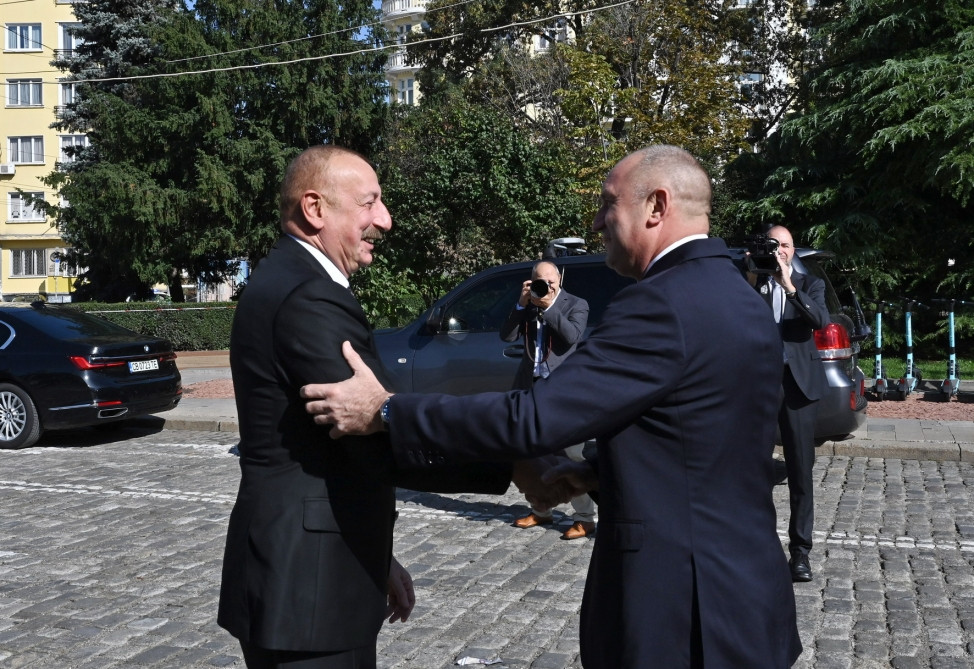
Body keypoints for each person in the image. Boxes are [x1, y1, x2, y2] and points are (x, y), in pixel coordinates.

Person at [301, 145, 803, 668]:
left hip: (684, 614)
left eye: (608, 203)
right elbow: (703, 436)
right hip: (748, 599)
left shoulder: (661, 302)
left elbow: (533, 419)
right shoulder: (738, 293)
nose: (597, 221)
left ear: (656, 206)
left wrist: (387, 412)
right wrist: (595, 473)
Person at [217, 145, 538, 669]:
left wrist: (376, 557)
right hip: (308, 590)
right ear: (315, 209)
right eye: (369, 203)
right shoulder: (307, 295)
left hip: (319, 570)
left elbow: (325, 452)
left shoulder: (294, 279)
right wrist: (513, 462)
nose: (384, 221)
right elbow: (367, 434)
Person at [754, 225, 829, 583]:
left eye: (784, 245)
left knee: (800, 474)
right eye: (773, 245)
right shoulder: (752, 281)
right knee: (753, 472)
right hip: (759, 389)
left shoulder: (809, 282)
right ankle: (760, 547)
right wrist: (753, 277)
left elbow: (819, 321)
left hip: (798, 388)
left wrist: (789, 286)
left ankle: (800, 553)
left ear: (793, 248)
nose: (778, 251)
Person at [501, 260, 596, 540]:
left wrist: (549, 307)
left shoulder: (577, 304)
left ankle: (585, 518)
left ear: (560, 279)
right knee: (531, 450)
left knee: (571, 452)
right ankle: (541, 510)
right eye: (541, 282)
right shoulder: (527, 304)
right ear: (531, 281)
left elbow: (570, 337)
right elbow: (506, 335)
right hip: (530, 387)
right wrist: (521, 306)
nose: (547, 288)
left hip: (563, 390)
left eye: (552, 283)